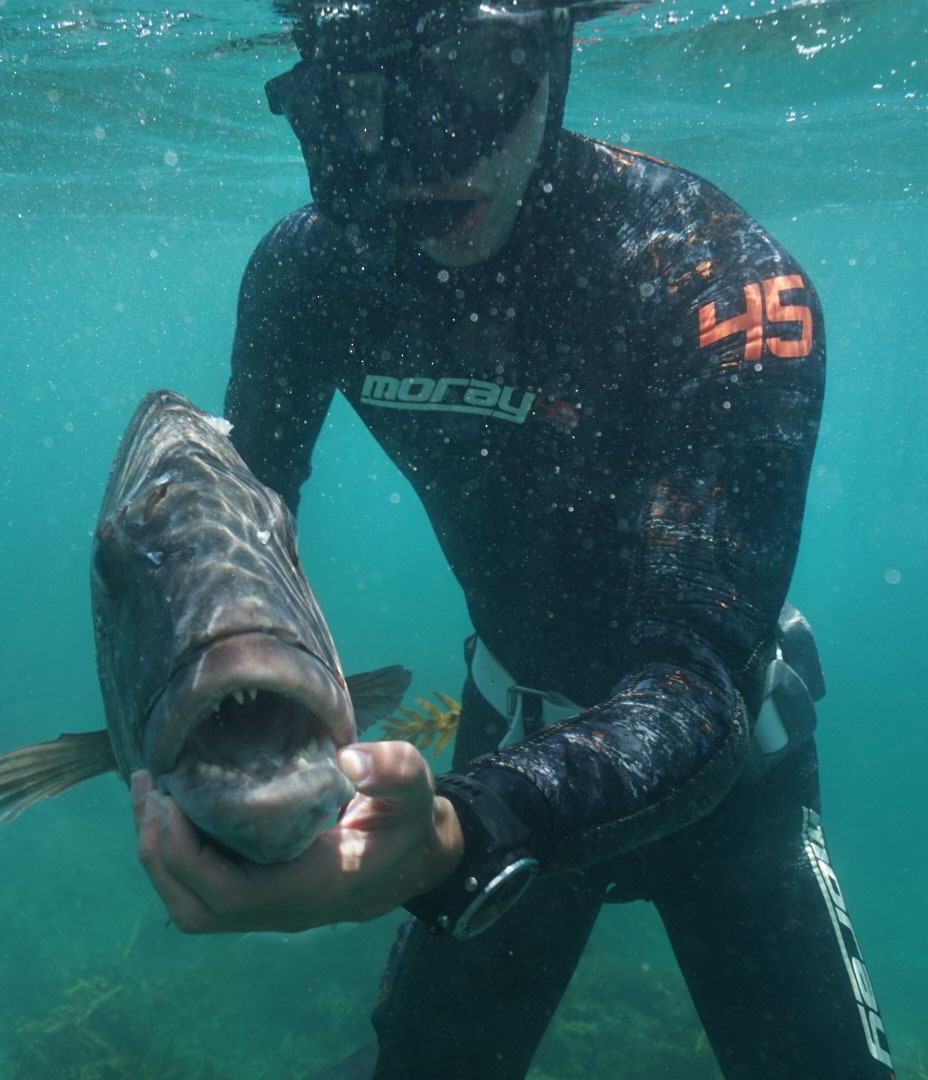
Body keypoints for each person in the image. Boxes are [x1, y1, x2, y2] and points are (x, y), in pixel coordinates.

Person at [131, 3, 896, 1077]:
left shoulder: (711, 283)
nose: (424, 157)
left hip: (730, 782)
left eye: (471, 75)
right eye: (365, 93)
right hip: (500, 749)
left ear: (556, 48)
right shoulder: (311, 274)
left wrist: (454, 830)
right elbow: (246, 527)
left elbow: (693, 683)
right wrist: (203, 711)